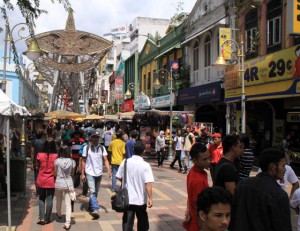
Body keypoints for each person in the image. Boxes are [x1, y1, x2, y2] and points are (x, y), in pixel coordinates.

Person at [231, 147, 292, 231]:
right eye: (283, 165)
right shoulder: (279, 195)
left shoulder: (242, 184)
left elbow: (233, 216)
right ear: (273, 167)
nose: (285, 170)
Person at [116, 140, 154, 231]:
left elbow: (118, 177)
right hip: (140, 200)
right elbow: (148, 183)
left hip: (128, 199)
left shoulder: (125, 162)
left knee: (127, 223)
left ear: (133, 149)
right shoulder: (146, 165)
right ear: (144, 151)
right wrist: (150, 198)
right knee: (142, 223)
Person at [81, 131, 111, 219]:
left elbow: (105, 159)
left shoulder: (102, 148)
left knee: (95, 192)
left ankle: (91, 205)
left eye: (97, 137)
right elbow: (83, 161)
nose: (95, 139)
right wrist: (82, 174)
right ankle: (95, 209)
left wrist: (108, 170)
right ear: (91, 138)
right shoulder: (86, 148)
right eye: (94, 137)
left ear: (99, 138)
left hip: (99, 173)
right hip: (89, 172)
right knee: (92, 191)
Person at [183, 143, 210, 231]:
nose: (208, 161)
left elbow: (190, 196)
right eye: (204, 159)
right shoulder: (198, 180)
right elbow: (198, 205)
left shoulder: (194, 171)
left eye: (209, 157)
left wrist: (187, 210)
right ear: (194, 160)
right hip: (198, 224)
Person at [36, 139, 58, 225]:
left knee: (41, 198)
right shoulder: (56, 156)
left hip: (41, 179)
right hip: (51, 180)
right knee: (49, 199)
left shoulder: (39, 155)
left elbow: (37, 167)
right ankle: (47, 218)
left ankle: (41, 218)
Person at [54, 146, 76, 230]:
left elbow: (55, 173)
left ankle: (59, 214)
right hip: (68, 184)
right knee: (68, 204)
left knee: (58, 200)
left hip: (59, 183)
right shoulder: (72, 161)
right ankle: (67, 223)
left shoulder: (56, 161)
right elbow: (72, 174)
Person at [31, 129, 45, 195]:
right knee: (43, 174)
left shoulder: (33, 142)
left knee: (36, 175)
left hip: (36, 160)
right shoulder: (44, 142)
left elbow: (32, 152)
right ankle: (42, 189)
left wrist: (32, 162)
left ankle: (38, 190)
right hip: (43, 160)